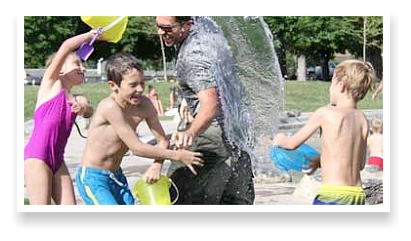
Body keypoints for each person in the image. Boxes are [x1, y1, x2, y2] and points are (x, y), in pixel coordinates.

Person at [75, 52, 204, 205]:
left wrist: (157, 165)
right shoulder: (109, 107)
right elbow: (137, 148)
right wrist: (177, 155)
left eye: (142, 83)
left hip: (117, 176)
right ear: (113, 86)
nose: (140, 89)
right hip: (93, 178)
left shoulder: (145, 105)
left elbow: (162, 140)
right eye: (133, 85)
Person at [156, 16, 255, 204]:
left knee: (179, 194)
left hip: (211, 132)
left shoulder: (192, 56)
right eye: (158, 26)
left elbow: (211, 104)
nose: (160, 32)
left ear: (187, 25)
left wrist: (191, 132)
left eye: (167, 28)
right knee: (234, 200)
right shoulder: (211, 34)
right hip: (239, 129)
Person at [273, 59, 376, 205]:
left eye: (331, 84)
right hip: (357, 195)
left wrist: (279, 138)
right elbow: (359, 164)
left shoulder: (325, 113)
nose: (330, 89)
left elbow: (291, 144)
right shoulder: (362, 119)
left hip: (332, 195)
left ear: (341, 86)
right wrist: (321, 160)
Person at [24, 31, 98, 205]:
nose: (83, 68)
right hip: (37, 156)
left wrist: (84, 108)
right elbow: (66, 46)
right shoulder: (51, 85)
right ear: (61, 69)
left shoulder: (76, 98)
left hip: (58, 160)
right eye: (77, 63)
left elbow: (89, 111)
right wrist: (91, 35)